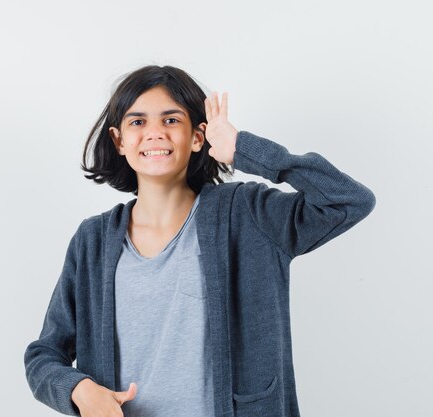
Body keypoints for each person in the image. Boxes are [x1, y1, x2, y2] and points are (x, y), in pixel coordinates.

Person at [23, 65, 376, 417]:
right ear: (119, 141)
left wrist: (243, 149)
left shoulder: (248, 215)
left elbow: (347, 200)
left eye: (172, 120)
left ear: (198, 137)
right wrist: (80, 390)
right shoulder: (93, 241)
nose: (155, 133)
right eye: (138, 122)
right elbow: (44, 355)